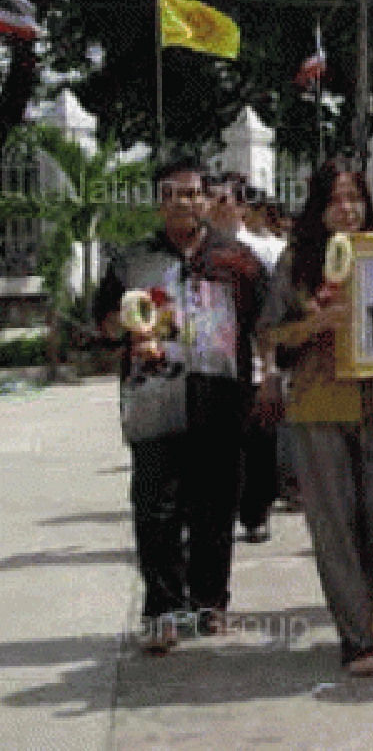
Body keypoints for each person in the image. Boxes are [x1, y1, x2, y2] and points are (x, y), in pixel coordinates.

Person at [93, 159, 267, 653]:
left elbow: (264, 323)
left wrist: (271, 380)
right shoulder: (132, 261)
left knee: (216, 506)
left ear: (208, 199)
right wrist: (125, 331)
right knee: (155, 511)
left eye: (192, 193)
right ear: (158, 201)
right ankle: (163, 610)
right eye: (171, 194)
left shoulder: (238, 260)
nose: (183, 203)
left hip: (221, 398)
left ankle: (211, 603)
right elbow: (103, 322)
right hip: (154, 396)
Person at [259, 158, 373, 677]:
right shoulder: (296, 262)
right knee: (334, 528)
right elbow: (274, 336)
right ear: (318, 209)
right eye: (335, 200)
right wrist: (318, 323)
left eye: (355, 199)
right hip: (319, 406)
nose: (347, 210)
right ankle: (356, 640)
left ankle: (370, 592)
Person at [208, 171, 287, 543]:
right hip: (210, 366)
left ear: (241, 206)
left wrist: (270, 367)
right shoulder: (199, 253)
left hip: (253, 362)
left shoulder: (264, 251)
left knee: (258, 445)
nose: (215, 207)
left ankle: (256, 514)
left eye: (224, 200)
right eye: (210, 199)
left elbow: (273, 312)